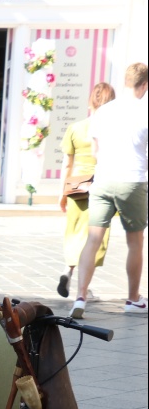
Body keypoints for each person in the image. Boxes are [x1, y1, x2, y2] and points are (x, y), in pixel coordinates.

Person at [72, 62, 149, 318]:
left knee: (93, 239)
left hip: (103, 180)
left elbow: (95, 151)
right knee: (135, 242)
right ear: (145, 85)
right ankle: (132, 299)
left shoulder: (104, 111)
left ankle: (80, 297)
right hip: (132, 180)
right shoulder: (144, 111)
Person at [56, 83, 116, 299]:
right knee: (97, 236)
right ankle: (84, 287)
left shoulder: (76, 127)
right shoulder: (113, 129)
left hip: (77, 186)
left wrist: (62, 193)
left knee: (74, 231)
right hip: (102, 184)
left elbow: (66, 164)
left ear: (91, 100)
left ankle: (68, 270)